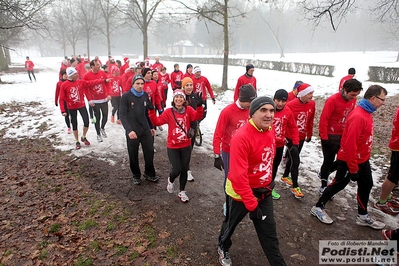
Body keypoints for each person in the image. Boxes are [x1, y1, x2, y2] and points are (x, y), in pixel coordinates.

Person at [217, 96, 286, 266]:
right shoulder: (241, 137)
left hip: (264, 192)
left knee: (269, 234)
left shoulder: (269, 130)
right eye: (263, 110)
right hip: (241, 194)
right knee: (230, 225)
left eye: (271, 110)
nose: (269, 114)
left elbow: (266, 160)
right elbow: (238, 177)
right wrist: (252, 205)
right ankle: (222, 246)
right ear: (252, 113)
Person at [311, 85, 387, 230]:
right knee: (338, 184)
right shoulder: (358, 116)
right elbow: (350, 145)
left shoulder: (367, 112)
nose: (383, 102)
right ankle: (318, 207)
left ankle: (363, 216)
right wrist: (353, 169)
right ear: (373, 98)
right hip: (349, 159)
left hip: (362, 159)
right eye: (382, 99)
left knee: (367, 184)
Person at [148, 89, 204, 202]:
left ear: (184, 100)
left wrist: (199, 105)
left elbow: (197, 116)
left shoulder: (188, 110)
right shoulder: (169, 112)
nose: (179, 99)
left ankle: (182, 192)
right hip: (173, 146)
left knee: (184, 169)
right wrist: (151, 110)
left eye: (181, 97)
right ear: (173, 99)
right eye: (177, 97)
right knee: (177, 168)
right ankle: (171, 180)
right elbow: (156, 122)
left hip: (186, 145)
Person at [213, 84, 257, 214]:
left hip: (247, 152)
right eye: (249, 102)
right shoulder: (228, 111)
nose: (251, 106)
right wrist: (217, 155)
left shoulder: (252, 110)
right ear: (242, 99)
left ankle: (242, 200)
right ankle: (228, 202)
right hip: (229, 151)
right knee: (230, 179)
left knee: (245, 178)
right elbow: (218, 134)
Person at [318, 79, 363, 194]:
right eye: (352, 95)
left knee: (342, 160)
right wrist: (324, 137)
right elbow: (324, 119)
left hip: (343, 135)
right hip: (330, 136)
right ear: (345, 90)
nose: (353, 98)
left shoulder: (353, 100)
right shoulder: (332, 100)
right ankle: (324, 185)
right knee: (328, 160)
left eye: (356, 95)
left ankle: (325, 173)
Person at [119, 74, 159, 185]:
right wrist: (128, 130)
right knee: (133, 154)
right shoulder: (126, 97)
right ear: (132, 84)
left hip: (145, 129)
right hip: (132, 130)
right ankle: (136, 175)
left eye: (142, 83)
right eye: (137, 83)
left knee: (149, 151)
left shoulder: (145, 95)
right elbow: (122, 115)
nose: (140, 86)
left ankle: (149, 173)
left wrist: (151, 127)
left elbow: (147, 113)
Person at [58, 67, 111, 149]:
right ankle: (77, 141)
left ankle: (83, 137)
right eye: (75, 74)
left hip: (81, 105)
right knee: (74, 124)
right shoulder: (64, 85)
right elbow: (61, 99)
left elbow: (91, 82)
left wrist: (104, 80)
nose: (77, 74)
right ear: (70, 75)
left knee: (86, 122)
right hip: (71, 107)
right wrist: (63, 110)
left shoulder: (80, 82)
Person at [281, 83, 316, 198]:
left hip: (301, 137)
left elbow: (310, 120)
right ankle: (295, 187)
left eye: (312, 93)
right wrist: (284, 136)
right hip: (291, 137)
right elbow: (284, 122)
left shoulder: (312, 104)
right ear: (302, 94)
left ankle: (285, 175)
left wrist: (309, 134)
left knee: (292, 157)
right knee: (296, 161)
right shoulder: (290, 105)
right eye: (309, 93)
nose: (311, 95)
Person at [271, 89, 299, 200]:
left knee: (274, 167)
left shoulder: (287, 112)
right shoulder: (268, 108)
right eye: (278, 100)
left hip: (279, 145)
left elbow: (293, 127)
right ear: (274, 99)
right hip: (265, 145)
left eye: (283, 101)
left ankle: (270, 187)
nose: (280, 103)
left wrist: (295, 143)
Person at [374, 105, 399, 215]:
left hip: (396, 144)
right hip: (398, 146)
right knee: (393, 176)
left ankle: (387, 196)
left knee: (392, 173)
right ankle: (382, 202)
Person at [84, 59, 111, 142]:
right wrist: (89, 100)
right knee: (97, 117)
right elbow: (86, 89)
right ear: (92, 66)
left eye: (99, 64)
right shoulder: (87, 76)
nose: (99, 66)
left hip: (104, 99)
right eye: (97, 65)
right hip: (94, 100)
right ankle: (98, 133)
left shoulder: (102, 73)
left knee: (105, 116)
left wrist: (109, 94)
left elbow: (108, 83)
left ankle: (102, 128)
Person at [182, 77, 202, 181]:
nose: (189, 87)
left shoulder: (195, 96)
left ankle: (187, 169)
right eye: (187, 85)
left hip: (193, 126)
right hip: (182, 125)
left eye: (191, 85)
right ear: (183, 86)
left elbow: (200, 110)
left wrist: (199, 118)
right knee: (182, 148)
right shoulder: (180, 96)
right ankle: (179, 165)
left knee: (189, 148)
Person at [54, 69, 71, 134]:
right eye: (65, 74)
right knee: (66, 114)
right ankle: (68, 127)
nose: (66, 76)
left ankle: (72, 122)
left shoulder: (69, 82)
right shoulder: (59, 83)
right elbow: (57, 92)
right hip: (63, 101)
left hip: (70, 100)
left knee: (71, 114)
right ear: (62, 75)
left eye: (67, 74)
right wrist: (56, 101)